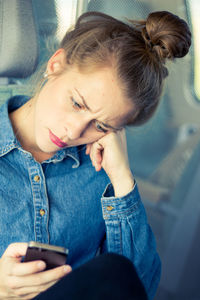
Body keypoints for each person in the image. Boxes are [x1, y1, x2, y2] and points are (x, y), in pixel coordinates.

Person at [0, 10, 191, 300]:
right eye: (77, 103)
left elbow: (139, 289)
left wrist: (123, 180)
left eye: (100, 125)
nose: (73, 132)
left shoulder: (99, 172)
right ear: (55, 65)